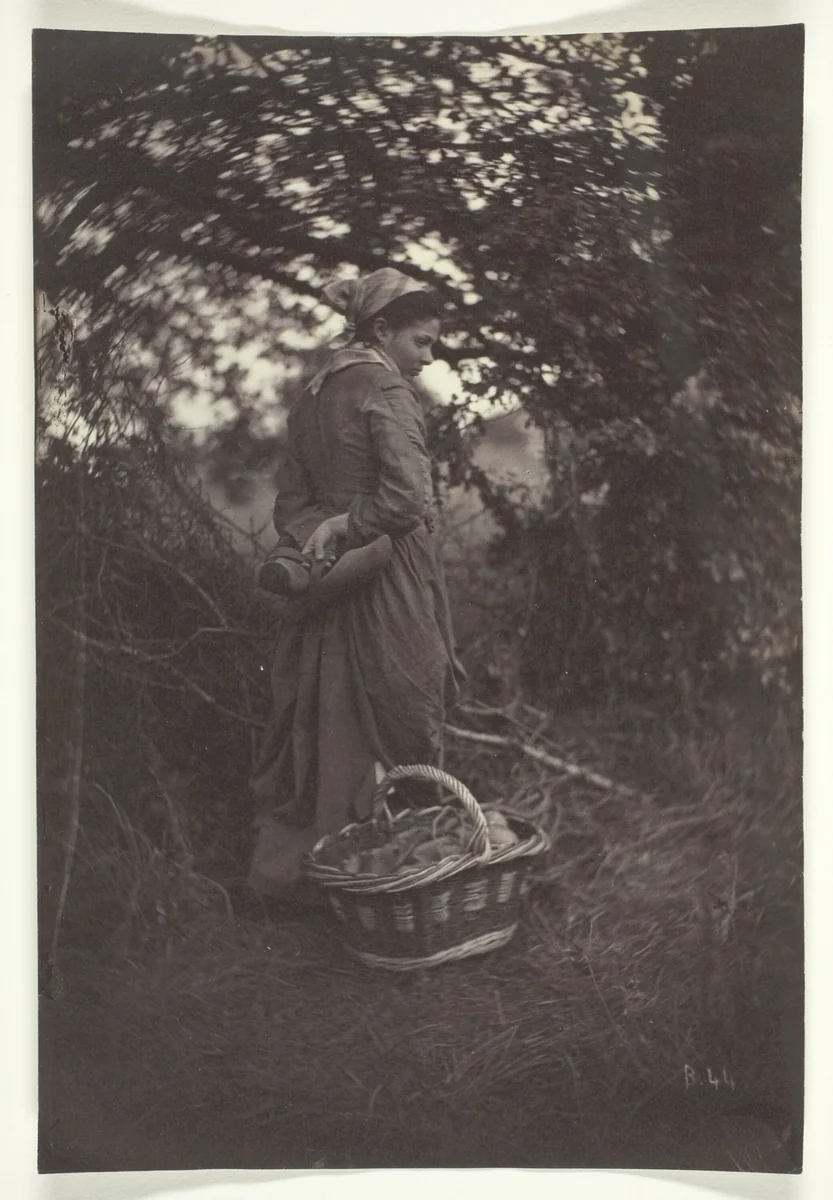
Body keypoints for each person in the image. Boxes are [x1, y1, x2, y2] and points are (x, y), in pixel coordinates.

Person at [246, 267, 465, 901]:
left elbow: (290, 504)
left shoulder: (312, 395)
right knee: (406, 706)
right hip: (385, 573)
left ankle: (323, 874)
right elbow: (408, 500)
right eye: (421, 342)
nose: (429, 357)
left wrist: (320, 537)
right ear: (381, 330)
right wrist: (351, 525)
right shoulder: (386, 390)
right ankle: (409, 883)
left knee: (324, 717)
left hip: (324, 577)